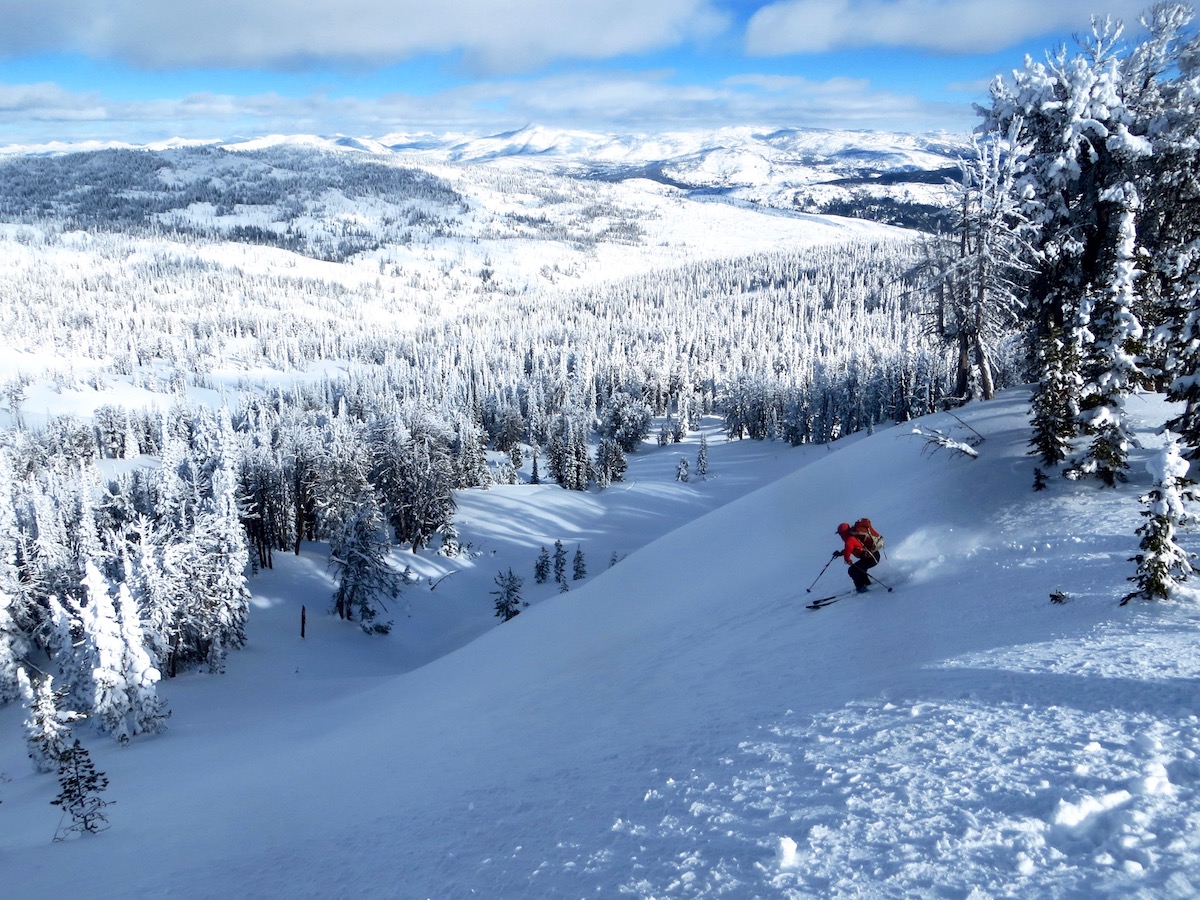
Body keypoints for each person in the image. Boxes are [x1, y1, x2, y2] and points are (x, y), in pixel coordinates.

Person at [833, 522, 879, 593]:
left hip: (871, 558)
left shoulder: (849, 540)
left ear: (842, 533)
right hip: (873, 556)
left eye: (840, 534)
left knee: (852, 570)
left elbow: (848, 549)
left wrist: (847, 560)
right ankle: (866, 583)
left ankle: (861, 588)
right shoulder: (852, 536)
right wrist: (840, 553)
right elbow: (851, 548)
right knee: (859, 568)